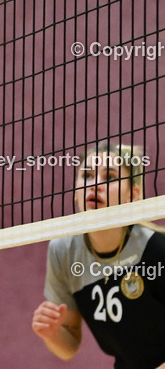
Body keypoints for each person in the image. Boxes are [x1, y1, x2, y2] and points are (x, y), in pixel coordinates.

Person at [31, 142, 165, 368]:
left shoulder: (157, 250)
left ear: (133, 195)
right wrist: (51, 333)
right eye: (87, 175)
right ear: (75, 191)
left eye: (110, 177)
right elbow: (69, 345)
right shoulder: (63, 252)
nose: (95, 185)